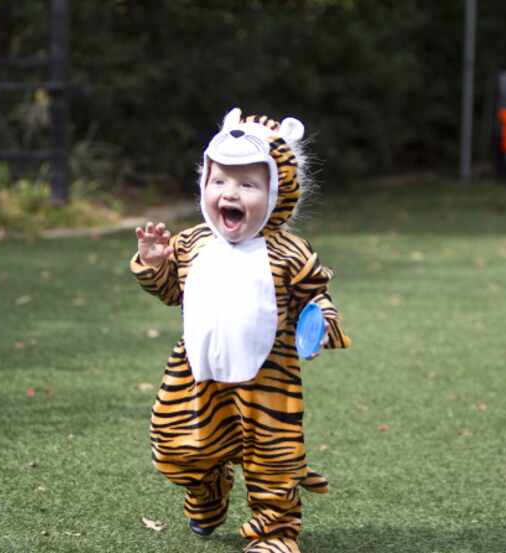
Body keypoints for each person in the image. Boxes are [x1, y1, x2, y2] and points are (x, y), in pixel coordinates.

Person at [131, 107, 351, 553]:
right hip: (195, 372)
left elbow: (315, 295)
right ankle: (208, 486)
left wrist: (322, 322)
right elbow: (176, 292)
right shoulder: (192, 243)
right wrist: (155, 265)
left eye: (247, 184)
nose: (229, 193)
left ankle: (275, 533)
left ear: (277, 193)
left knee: (272, 459)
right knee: (175, 445)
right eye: (219, 181)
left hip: (268, 378)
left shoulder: (289, 251)